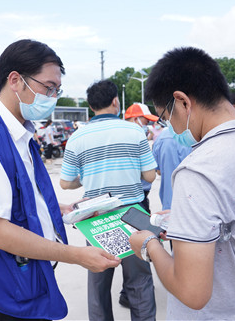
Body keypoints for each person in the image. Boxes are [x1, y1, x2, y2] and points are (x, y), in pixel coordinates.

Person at [0, 39, 120, 320]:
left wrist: (63, 211)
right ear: (15, 80)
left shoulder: (19, 132)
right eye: (47, 88)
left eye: (57, 90)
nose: (52, 97)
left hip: (21, 277)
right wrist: (76, 255)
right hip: (3, 290)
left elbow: (21, 198)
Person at [129, 47, 235, 319]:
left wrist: (148, 246)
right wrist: (185, 221)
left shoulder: (199, 169)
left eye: (167, 118)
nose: (172, 129)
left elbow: (192, 292)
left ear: (182, 102)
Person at [60, 80, 157, 321]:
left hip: (96, 217)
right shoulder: (135, 131)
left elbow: (66, 182)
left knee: (98, 281)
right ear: (116, 101)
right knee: (140, 280)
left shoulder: (77, 136)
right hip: (133, 214)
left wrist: (89, 178)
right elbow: (150, 175)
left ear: (91, 106)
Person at [124, 102, 159, 213]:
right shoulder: (134, 139)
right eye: (146, 122)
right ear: (135, 120)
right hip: (136, 197)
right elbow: (150, 176)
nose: (147, 126)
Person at [151, 127, 191, 211]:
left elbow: (158, 171)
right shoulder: (195, 136)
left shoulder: (162, 137)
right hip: (191, 203)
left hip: (169, 203)